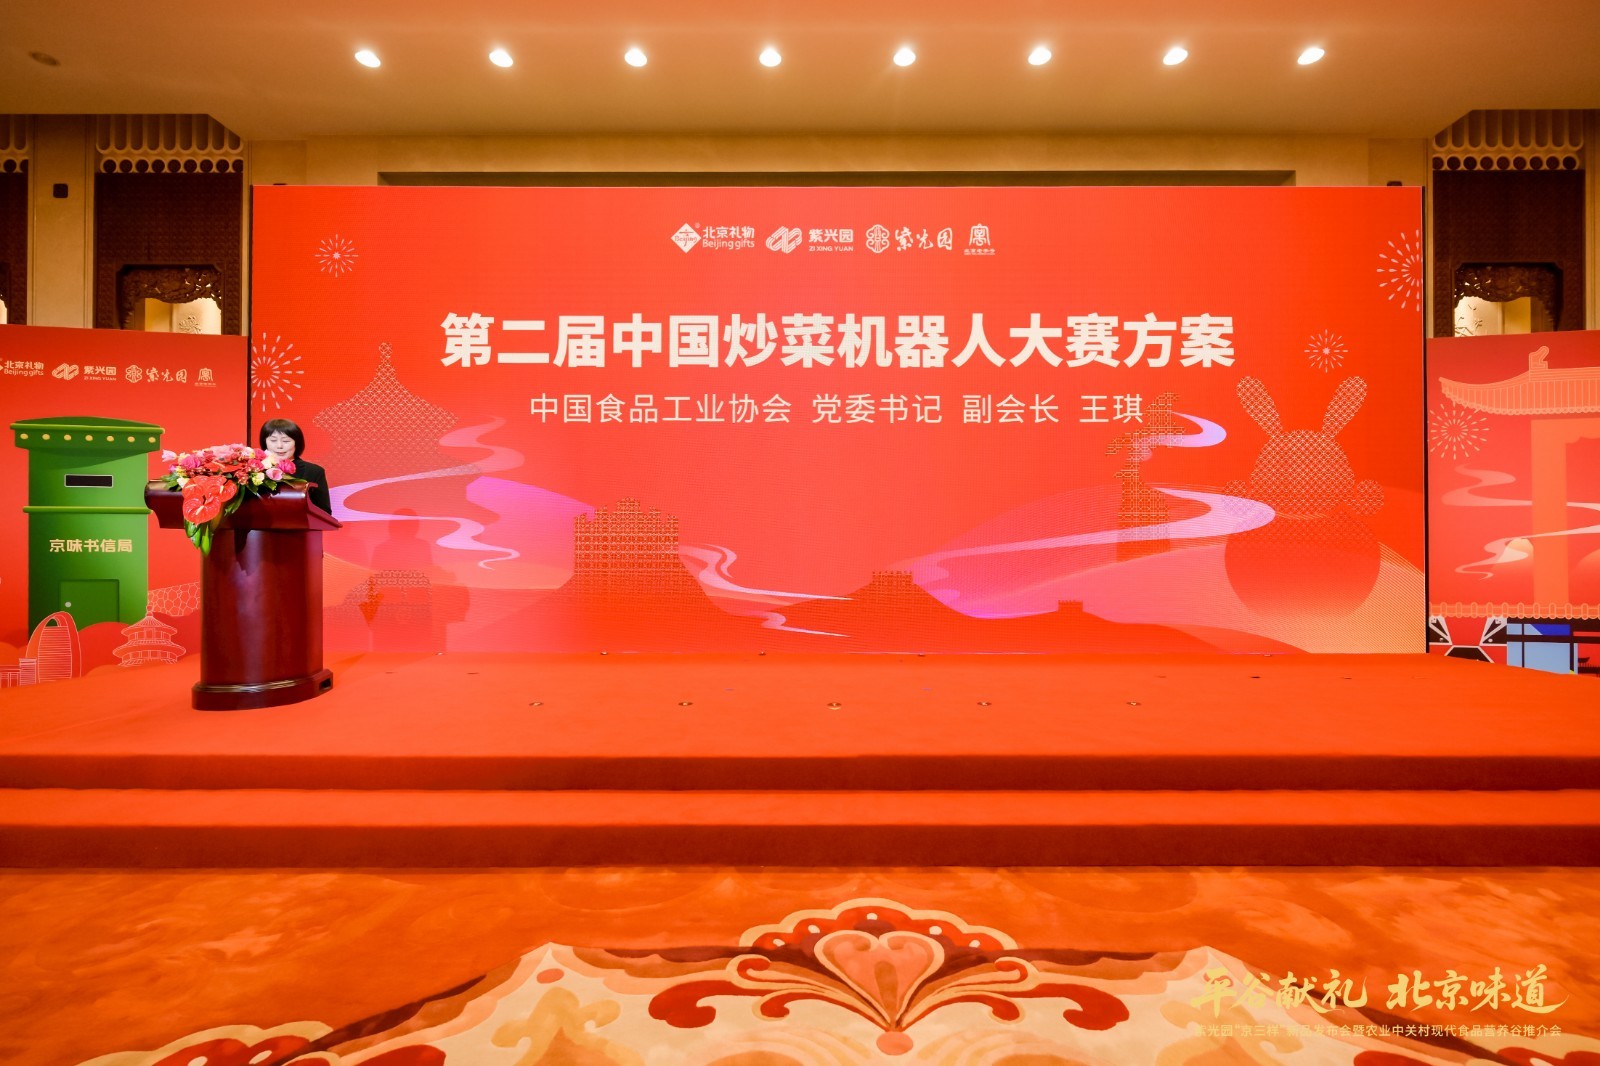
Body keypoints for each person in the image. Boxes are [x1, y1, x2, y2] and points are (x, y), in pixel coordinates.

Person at [259, 417, 333, 514]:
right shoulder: (254, 470)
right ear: (265, 442)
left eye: (286, 441)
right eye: (273, 440)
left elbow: (324, 512)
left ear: (296, 443)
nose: (279, 446)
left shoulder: (314, 472)